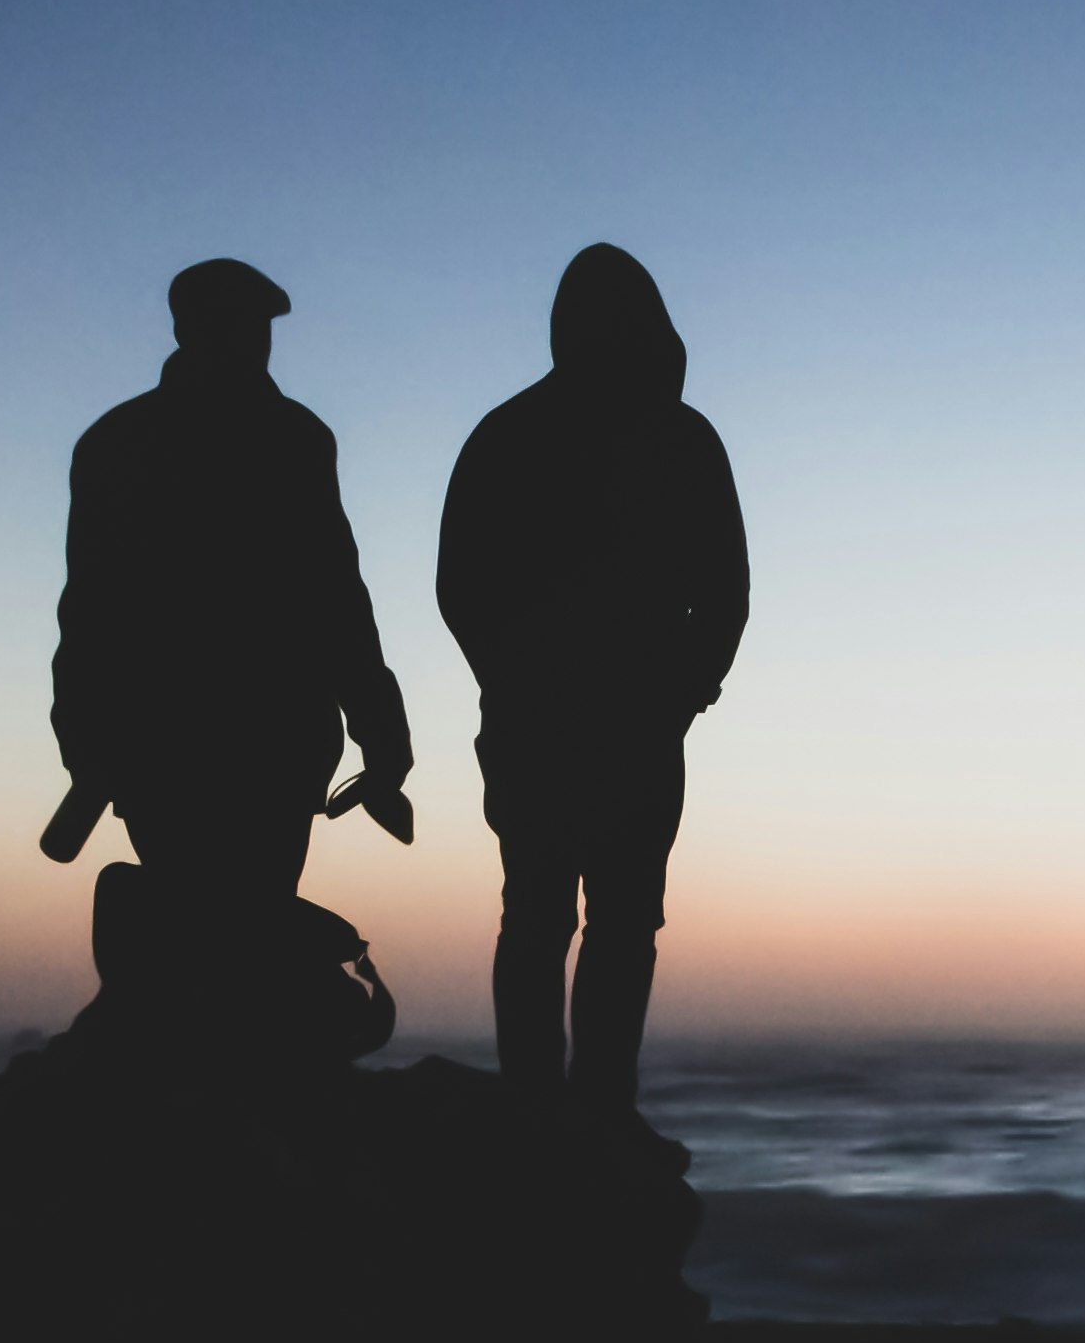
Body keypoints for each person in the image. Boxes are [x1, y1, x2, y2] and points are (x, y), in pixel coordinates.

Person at [436, 241, 746, 1123]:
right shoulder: (681, 440)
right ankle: (595, 1112)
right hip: (618, 730)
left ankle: (546, 1109)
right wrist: (682, 689)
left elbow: (459, 587)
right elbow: (727, 595)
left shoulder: (506, 434)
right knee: (612, 923)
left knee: (543, 918)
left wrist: (511, 680)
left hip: (564, 727)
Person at [48, 258, 412, 926]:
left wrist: (86, 745)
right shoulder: (292, 439)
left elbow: (88, 616)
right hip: (257, 742)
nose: (254, 339)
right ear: (191, 328)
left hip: (172, 746)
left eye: (258, 325)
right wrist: (380, 728)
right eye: (242, 324)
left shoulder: (116, 441)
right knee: (247, 946)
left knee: (199, 948)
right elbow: (336, 600)